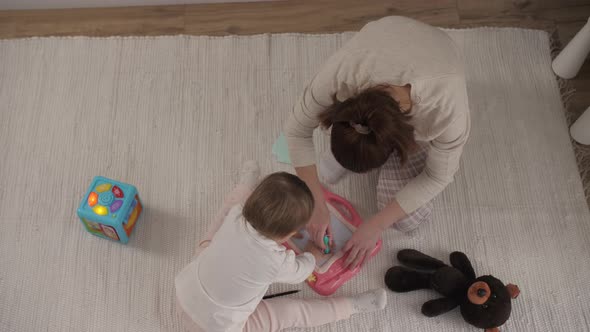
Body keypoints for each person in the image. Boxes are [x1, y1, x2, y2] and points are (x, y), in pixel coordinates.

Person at [284, 16, 470, 269]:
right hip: (388, 32)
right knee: (326, 169)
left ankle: (376, 156)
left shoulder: (446, 112)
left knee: (407, 221)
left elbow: (437, 177)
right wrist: (316, 202)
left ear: (398, 145)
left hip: (440, 55)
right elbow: (296, 131)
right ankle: (354, 152)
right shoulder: (340, 75)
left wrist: (376, 224)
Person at [175, 161, 387, 332]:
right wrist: (310, 254)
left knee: (214, 231)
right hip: (219, 327)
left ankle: (244, 186)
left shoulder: (237, 214)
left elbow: (233, 211)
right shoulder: (274, 261)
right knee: (292, 313)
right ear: (290, 234)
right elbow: (301, 272)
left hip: (184, 296)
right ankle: (352, 306)